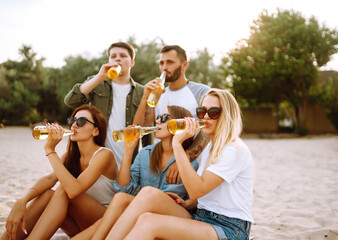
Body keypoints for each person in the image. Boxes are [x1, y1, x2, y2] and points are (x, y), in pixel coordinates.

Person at [104, 89, 254, 240]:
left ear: (227, 115)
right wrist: (188, 203)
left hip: (228, 228)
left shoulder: (233, 150)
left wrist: (177, 143)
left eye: (213, 112)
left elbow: (197, 189)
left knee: (149, 223)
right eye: (202, 112)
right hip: (201, 216)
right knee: (148, 195)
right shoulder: (210, 147)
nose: (206, 117)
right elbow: (209, 192)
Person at [71, 105, 199, 239]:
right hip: (144, 214)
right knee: (120, 199)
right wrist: (128, 150)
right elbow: (123, 189)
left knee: (113, 217)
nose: (158, 121)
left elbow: (198, 198)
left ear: (179, 124)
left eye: (165, 118)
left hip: (176, 217)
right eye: (158, 118)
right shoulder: (145, 153)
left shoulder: (189, 161)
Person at [1, 105, 118, 240]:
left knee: (64, 189)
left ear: (96, 131)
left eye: (81, 122)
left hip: (103, 222)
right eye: (72, 120)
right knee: (48, 194)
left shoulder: (104, 154)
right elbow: (50, 179)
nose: (74, 125)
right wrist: (23, 200)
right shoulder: (71, 156)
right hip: (77, 225)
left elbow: (74, 190)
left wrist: (50, 149)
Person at [64, 42, 150, 169]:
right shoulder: (97, 82)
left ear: (132, 62)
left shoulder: (142, 91)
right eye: (113, 56)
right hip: (94, 157)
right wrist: (99, 77)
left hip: (127, 160)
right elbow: (71, 101)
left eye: (123, 56)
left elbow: (146, 132)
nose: (117, 59)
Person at [133, 45, 210, 183]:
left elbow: (209, 129)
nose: (164, 67)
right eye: (161, 63)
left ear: (184, 65)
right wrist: (145, 97)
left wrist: (184, 158)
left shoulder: (201, 92)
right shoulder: (157, 95)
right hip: (163, 164)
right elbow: (139, 126)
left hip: (195, 164)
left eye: (170, 62)